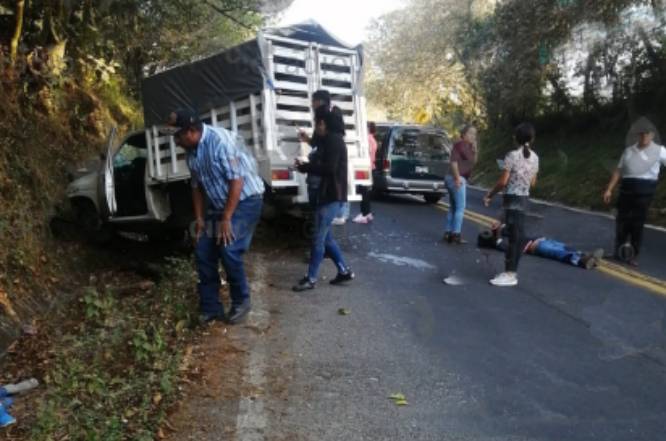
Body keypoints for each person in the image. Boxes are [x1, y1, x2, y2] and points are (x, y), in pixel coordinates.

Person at [165, 109, 264, 324]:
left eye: (178, 136)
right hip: (218, 205)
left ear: (191, 132)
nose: (176, 141)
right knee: (202, 250)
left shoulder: (221, 142)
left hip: (246, 201)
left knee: (229, 248)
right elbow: (196, 187)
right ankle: (211, 308)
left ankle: (241, 301)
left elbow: (236, 182)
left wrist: (227, 218)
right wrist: (199, 219)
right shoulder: (191, 152)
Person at [292, 106, 354, 291]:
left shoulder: (334, 140)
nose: (316, 127)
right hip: (328, 194)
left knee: (318, 239)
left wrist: (306, 167)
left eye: (316, 124)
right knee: (326, 239)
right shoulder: (330, 139)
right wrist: (306, 165)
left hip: (331, 196)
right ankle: (344, 271)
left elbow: (330, 168)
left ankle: (310, 279)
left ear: (322, 123)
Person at [603, 118, 666, 267]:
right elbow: (618, 171)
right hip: (626, 188)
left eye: (647, 134)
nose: (644, 137)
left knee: (636, 224)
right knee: (622, 222)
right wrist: (609, 189)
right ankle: (618, 252)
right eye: (641, 134)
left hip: (645, 190)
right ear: (637, 135)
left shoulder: (660, 150)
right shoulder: (629, 151)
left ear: (652, 135)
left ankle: (633, 255)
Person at [483, 123, 539, 287]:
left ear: (515, 138)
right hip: (524, 199)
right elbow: (533, 182)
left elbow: (503, 182)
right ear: (532, 139)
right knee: (516, 236)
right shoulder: (535, 158)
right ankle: (510, 271)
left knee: (514, 238)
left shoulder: (512, 155)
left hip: (512, 198)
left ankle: (510, 274)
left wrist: (490, 194)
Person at [478, 222, 604, 269]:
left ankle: (588, 257)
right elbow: (511, 248)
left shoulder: (506, 231)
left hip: (541, 239)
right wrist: (497, 233)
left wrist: (500, 225)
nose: (491, 227)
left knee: (564, 247)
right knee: (558, 253)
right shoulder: (500, 243)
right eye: (489, 230)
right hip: (535, 246)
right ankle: (580, 261)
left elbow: (511, 224)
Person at [443, 125, 478, 244]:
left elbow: (473, 162)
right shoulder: (459, 145)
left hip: (454, 178)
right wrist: (457, 178)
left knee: (453, 207)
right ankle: (456, 234)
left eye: (474, 134)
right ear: (463, 134)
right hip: (456, 178)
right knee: (460, 208)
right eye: (470, 133)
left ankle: (448, 232)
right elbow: (453, 161)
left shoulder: (469, 147)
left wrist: (475, 149)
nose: (473, 136)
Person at [352, 121, 378, 224]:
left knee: (364, 191)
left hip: (365, 166)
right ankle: (367, 213)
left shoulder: (367, 139)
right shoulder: (373, 139)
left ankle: (364, 214)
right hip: (371, 166)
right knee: (366, 191)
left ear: (367, 128)